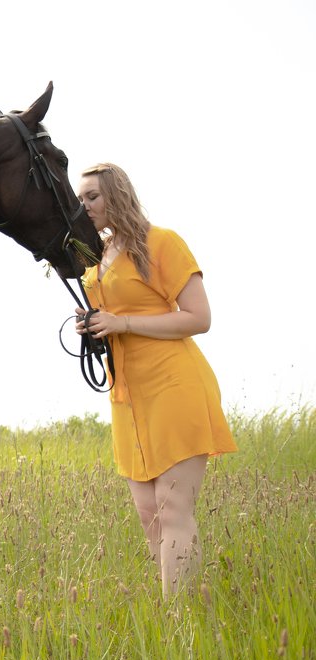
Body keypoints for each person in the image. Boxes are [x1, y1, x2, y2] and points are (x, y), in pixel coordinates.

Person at [74, 162, 237, 598]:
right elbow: (114, 316)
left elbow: (199, 318)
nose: (84, 206)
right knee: (149, 512)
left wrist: (122, 323)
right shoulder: (96, 257)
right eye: (80, 199)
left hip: (173, 384)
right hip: (126, 393)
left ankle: (176, 619)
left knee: (172, 507)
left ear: (117, 194)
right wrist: (91, 324)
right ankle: (184, 609)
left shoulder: (161, 242)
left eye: (92, 197)